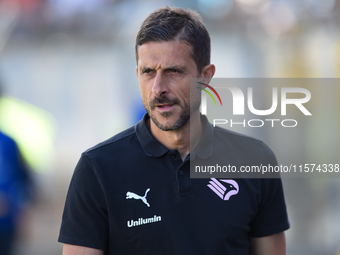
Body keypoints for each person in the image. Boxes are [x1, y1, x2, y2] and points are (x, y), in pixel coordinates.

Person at [58, 6, 289, 255]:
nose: (158, 88)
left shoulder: (255, 161)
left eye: (173, 71)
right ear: (137, 74)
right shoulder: (98, 169)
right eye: (148, 72)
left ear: (206, 76)